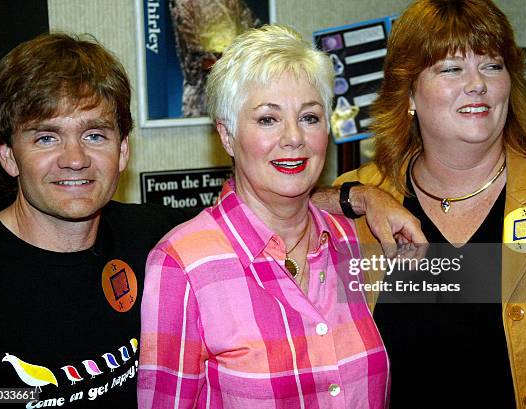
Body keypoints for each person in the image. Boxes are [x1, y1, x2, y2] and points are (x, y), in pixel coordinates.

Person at [335, 0, 526, 408]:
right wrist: (357, 196)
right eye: (451, 69)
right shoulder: (359, 199)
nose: (478, 85)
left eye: (492, 65)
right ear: (409, 93)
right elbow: (259, 208)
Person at [138, 25, 390, 408]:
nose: (294, 138)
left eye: (309, 117)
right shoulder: (183, 264)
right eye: (268, 119)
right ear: (227, 136)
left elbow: (470, 290)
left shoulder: (354, 240)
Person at [0, 33, 195, 408]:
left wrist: (332, 196)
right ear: (9, 155)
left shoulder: (158, 240)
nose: (75, 159)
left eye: (94, 134)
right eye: (46, 138)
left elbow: (262, 214)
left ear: (122, 150)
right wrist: (31, 395)